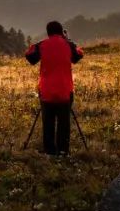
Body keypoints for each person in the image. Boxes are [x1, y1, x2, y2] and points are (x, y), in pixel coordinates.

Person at [25, 20, 84, 155]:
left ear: (48, 32)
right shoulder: (68, 45)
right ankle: (63, 151)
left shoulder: (42, 45)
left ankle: (50, 151)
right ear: (61, 31)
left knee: (48, 123)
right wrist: (67, 40)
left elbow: (30, 57)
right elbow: (78, 55)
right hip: (65, 89)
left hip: (46, 90)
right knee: (64, 123)